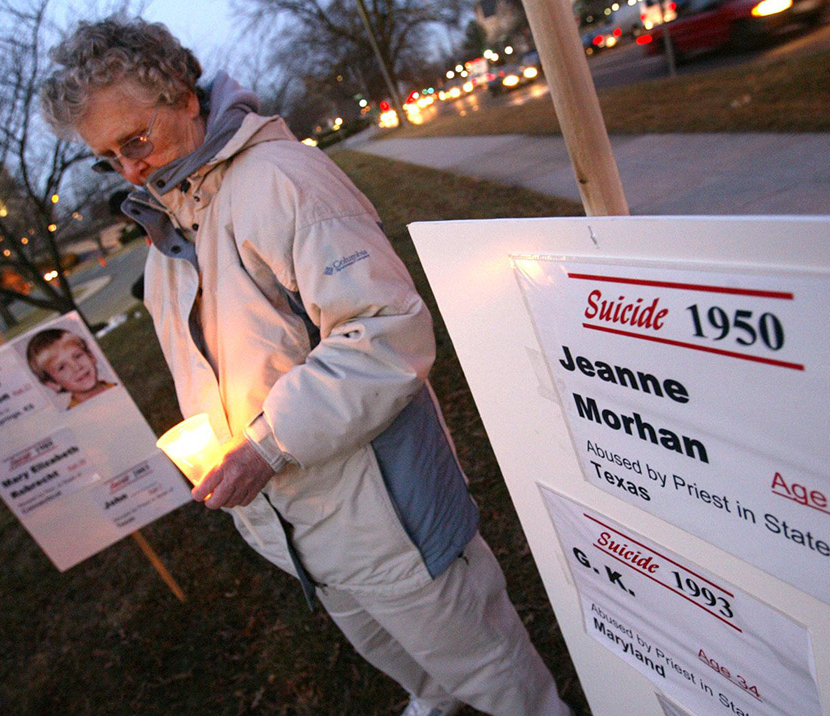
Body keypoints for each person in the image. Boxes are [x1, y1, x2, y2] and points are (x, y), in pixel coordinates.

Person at [41, 18, 572, 716]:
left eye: (135, 141)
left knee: (494, 674)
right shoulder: (166, 232)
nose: (131, 170)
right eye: (109, 158)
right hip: (295, 527)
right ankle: (431, 700)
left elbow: (387, 332)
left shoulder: (283, 180)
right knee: (401, 658)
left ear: (184, 94)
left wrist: (266, 445)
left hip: (388, 518)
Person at [26, 328, 116, 409]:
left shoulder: (119, 386)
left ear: (91, 356)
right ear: (52, 384)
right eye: (61, 367)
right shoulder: (73, 416)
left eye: (77, 356)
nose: (77, 367)